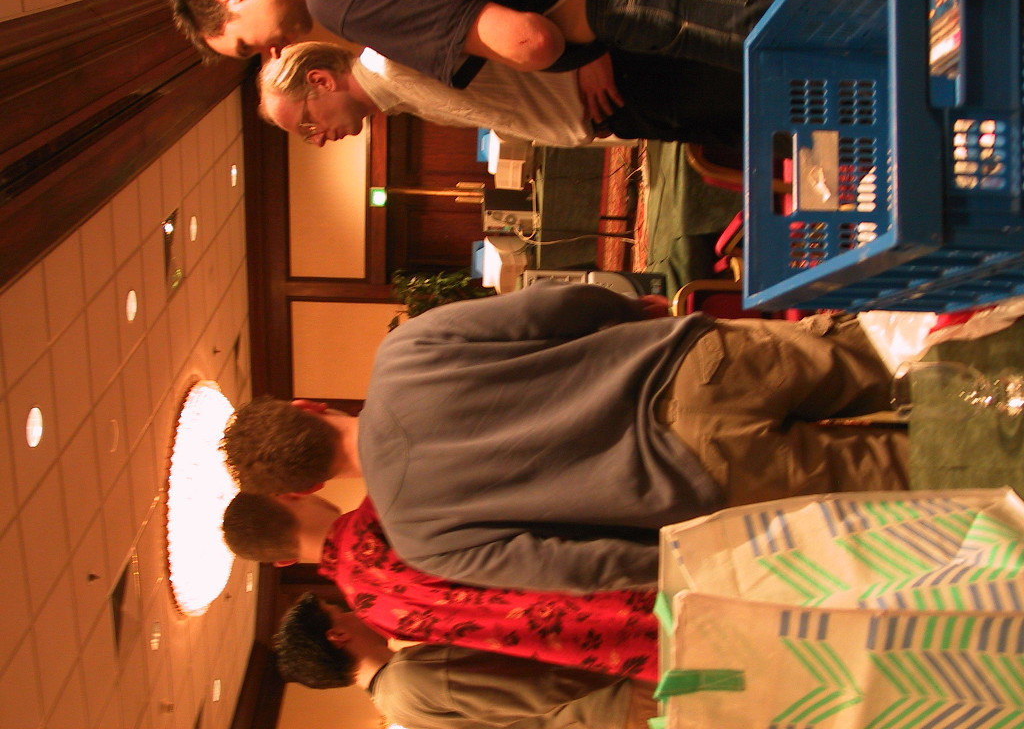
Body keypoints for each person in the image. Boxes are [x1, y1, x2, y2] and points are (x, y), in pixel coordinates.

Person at [223, 282, 908, 594]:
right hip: (694, 364)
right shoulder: (405, 354)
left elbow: (579, 567)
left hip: (702, 477)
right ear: (307, 406)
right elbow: (551, 308)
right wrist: (629, 310)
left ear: (306, 486)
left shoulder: (420, 539)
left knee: (911, 472)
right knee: (895, 355)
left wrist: (684, 555)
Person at [168, 0, 800, 121]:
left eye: (248, 47)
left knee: (825, 26)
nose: (271, 53)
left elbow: (530, 42)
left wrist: (576, 53)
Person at [223, 491, 659, 679]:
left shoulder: (373, 613)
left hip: (612, 646)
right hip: (624, 564)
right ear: (289, 494)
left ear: (282, 560)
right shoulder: (384, 508)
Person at [274, 591, 659, 729]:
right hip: (619, 698)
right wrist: (630, 649)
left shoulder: (396, 703)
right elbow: (544, 683)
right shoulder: (408, 678)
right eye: (340, 611)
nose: (353, 612)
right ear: (337, 636)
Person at [259, 41, 744, 149]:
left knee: (767, 91)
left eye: (307, 124)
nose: (317, 138)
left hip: (627, 76)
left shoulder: (391, 57)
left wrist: (589, 46)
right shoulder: (394, 95)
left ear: (320, 81)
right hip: (622, 109)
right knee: (758, 126)